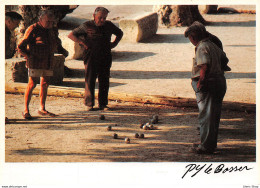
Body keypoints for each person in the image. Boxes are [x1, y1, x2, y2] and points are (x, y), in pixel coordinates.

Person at [184, 21, 229, 154]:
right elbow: (225, 60)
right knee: (213, 116)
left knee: (206, 116)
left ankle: (206, 147)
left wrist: (201, 82)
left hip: (209, 83)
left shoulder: (202, 47)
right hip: (219, 81)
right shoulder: (213, 45)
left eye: (190, 38)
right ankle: (209, 143)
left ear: (193, 37)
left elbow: (204, 66)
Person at [68, 7, 123, 111]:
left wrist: (114, 43)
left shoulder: (109, 25)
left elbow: (120, 33)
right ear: (94, 16)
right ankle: (89, 104)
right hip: (91, 56)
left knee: (104, 79)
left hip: (105, 56)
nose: (102, 20)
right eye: (100, 17)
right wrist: (82, 43)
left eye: (104, 18)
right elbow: (71, 35)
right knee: (90, 79)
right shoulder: (87, 25)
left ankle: (103, 104)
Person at [18, 10, 60, 120]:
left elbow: (56, 42)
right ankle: (26, 110)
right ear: (40, 20)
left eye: (52, 21)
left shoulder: (52, 29)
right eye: (48, 21)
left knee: (45, 83)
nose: (50, 24)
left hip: (48, 60)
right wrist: (28, 55)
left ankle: (42, 108)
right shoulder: (33, 29)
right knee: (32, 84)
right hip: (35, 61)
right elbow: (20, 46)